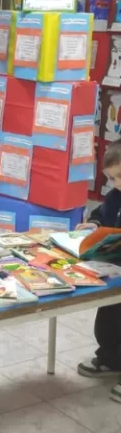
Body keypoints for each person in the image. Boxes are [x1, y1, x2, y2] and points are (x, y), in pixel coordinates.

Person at [75, 140, 121, 402]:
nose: (115, 184)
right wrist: (93, 224)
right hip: (114, 268)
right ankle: (110, 358)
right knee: (108, 315)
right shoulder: (115, 195)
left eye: (120, 177)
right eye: (110, 178)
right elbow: (103, 213)